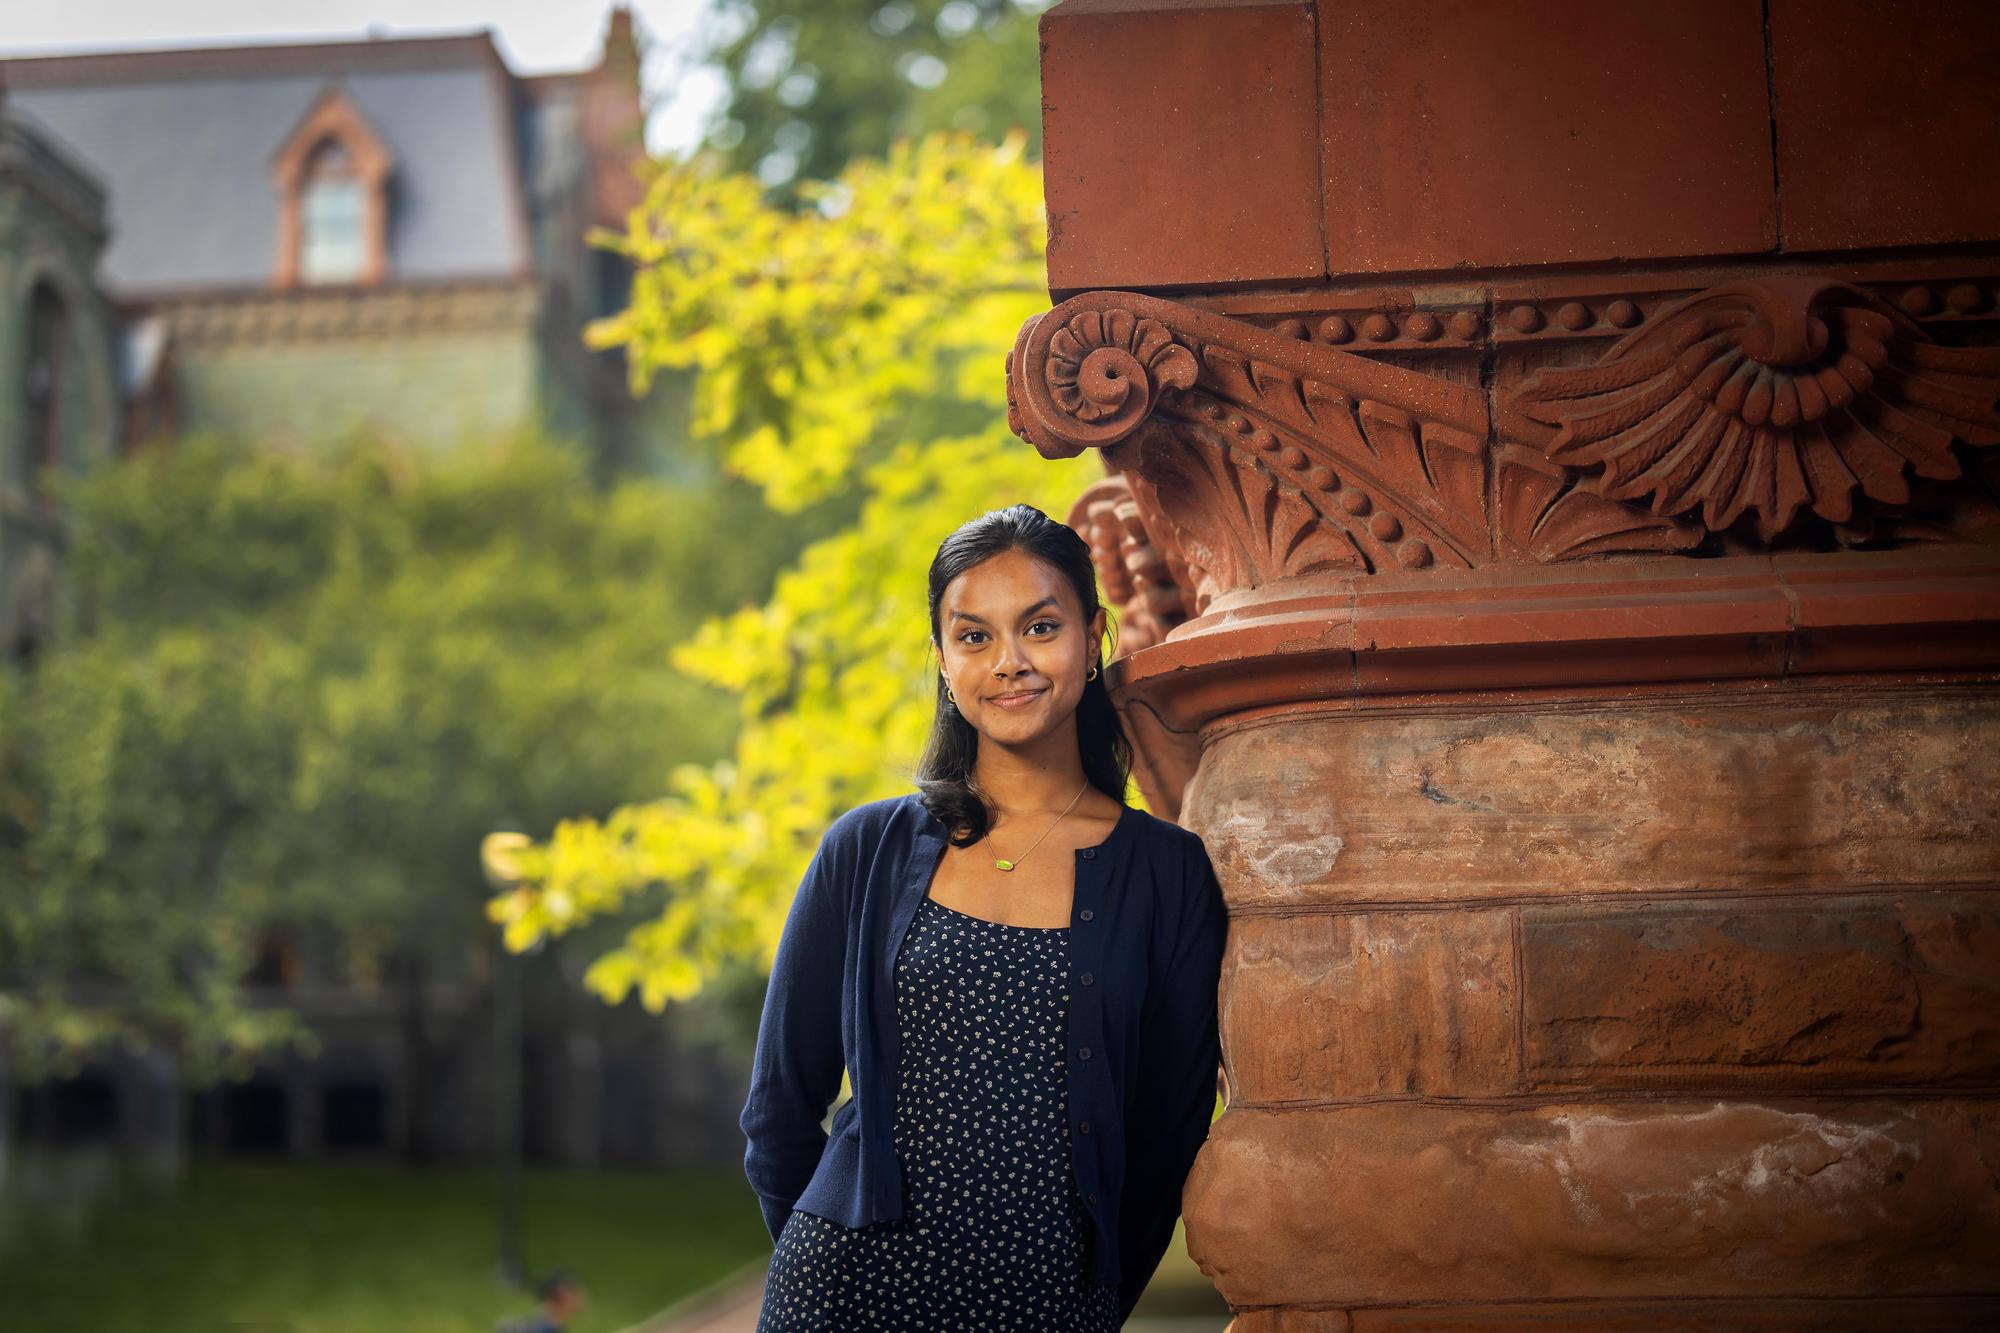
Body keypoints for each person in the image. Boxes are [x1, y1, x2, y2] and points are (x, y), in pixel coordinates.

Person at [742, 503, 1229, 1330]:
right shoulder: (866, 849)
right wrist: (820, 1266)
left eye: (1040, 626)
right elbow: (780, 1108)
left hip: (1046, 1306)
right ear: (941, 658)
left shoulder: (1168, 874)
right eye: (974, 637)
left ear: (1094, 633)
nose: (1010, 663)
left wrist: (1092, 1301)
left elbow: (1167, 1135)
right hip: (842, 1296)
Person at [495, 1268, 586, 1333]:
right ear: (562, 1295)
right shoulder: (546, 1329)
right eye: (574, 1292)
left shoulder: (542, 1324)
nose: (581, 1298)